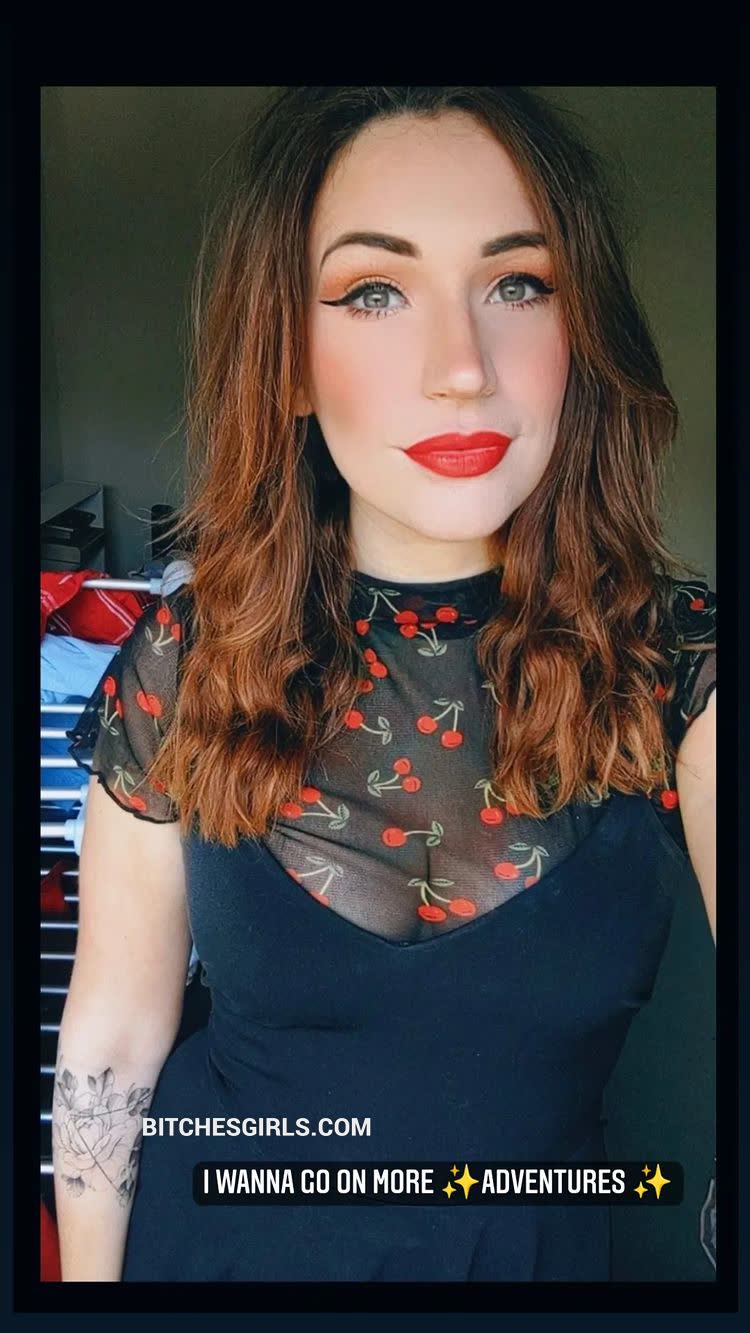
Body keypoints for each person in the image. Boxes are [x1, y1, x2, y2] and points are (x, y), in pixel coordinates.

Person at [53, 86, 716, 1283]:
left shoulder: (673, 663)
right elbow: (113, 1042)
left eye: (519, 283)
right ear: (291, 365)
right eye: (373, 291)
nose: (462, 368)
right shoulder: (188, 655)